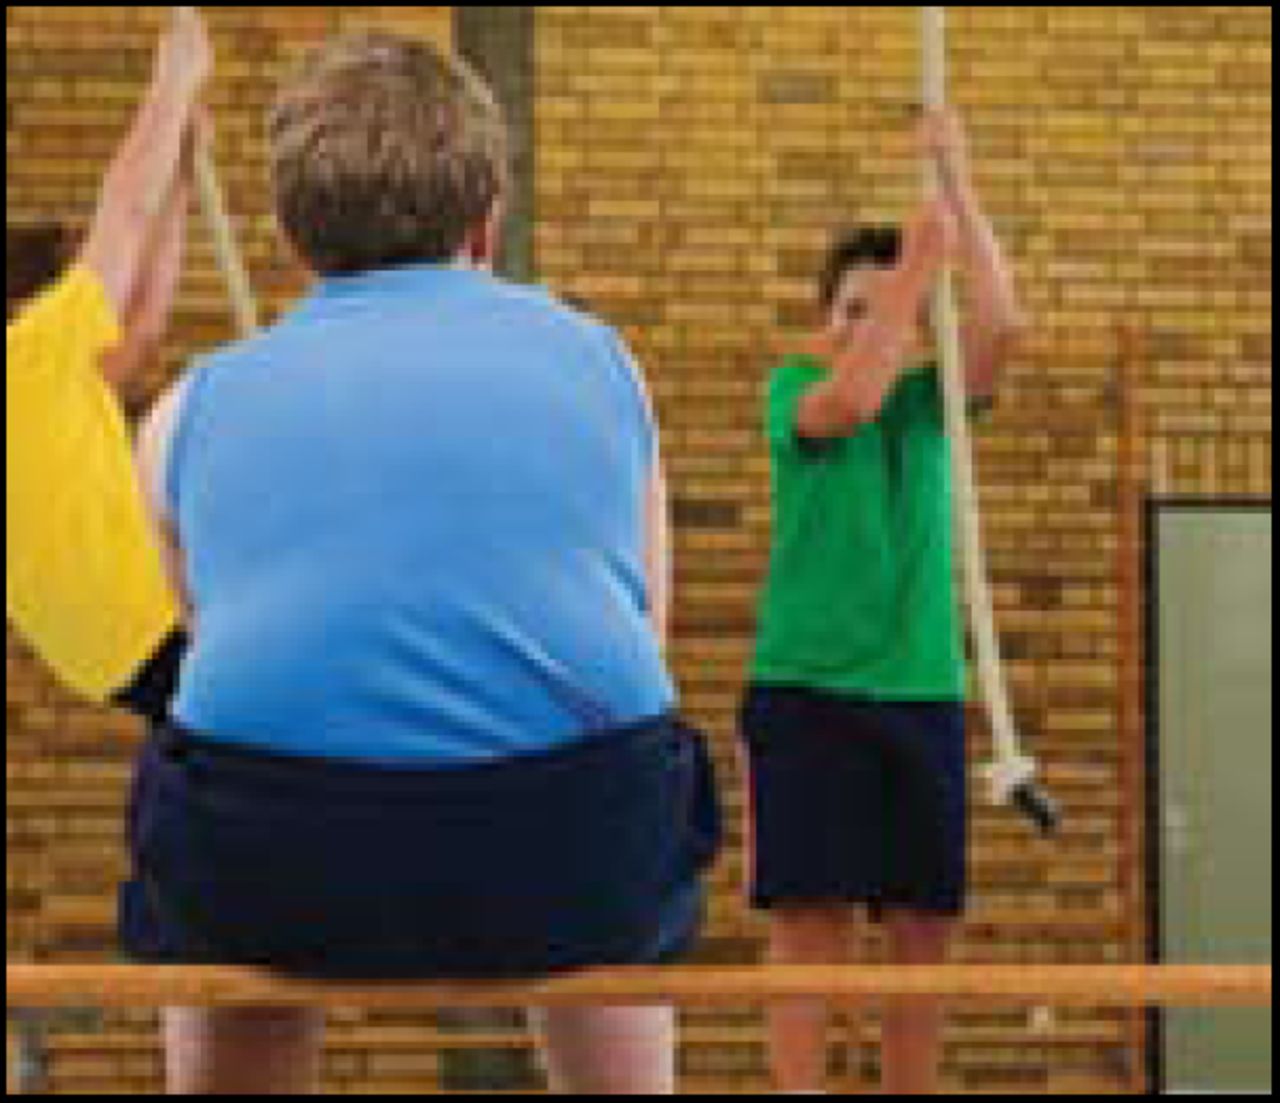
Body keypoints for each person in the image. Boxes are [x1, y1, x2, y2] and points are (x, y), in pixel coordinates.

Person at [129, 29, 718, 1096]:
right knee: (626, 774)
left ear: (291, 237)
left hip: (279, 854)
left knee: (200, 786)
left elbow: (217, 666)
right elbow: (645, 632)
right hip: (571, 845)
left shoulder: (188, 409)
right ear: (488, 217)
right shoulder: (602, 363)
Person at [739, 109, 1026, 1095]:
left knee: (921, 928)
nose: (874, 324)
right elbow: (850, 399)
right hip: (808, 690)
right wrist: (908, 276)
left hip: (919, 692)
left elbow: (1001, 327)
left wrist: (959, 186)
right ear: (826, 321)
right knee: (811, 923)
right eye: (851, 309)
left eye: (889, 309)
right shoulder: (794, 388)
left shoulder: (930, 407)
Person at [6, 9, 205, 718]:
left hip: (111, 653)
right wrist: (174, 81)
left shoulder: (40, 396)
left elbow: (143, 326)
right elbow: (122, 214)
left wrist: (182, 177)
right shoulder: (26, 354)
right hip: (148, 625)